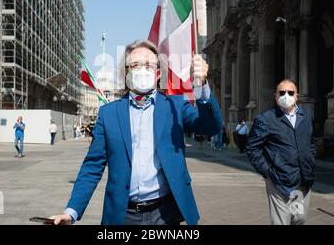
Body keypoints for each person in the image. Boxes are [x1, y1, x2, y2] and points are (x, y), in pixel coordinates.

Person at [51, 40, 223, 225]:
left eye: (149, 65)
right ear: (126, 73)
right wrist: (71, 212)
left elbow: (210, 127)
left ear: (157, 73)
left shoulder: (175, 106)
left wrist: (201, 87)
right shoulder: (109, 114)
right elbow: (92, 167)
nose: (143, 70)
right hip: (123, 215)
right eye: (135, 65)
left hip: (165, 214)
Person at [246, 79, 316, 225]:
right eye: (282, 92)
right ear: (276, 96)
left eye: (290, 92)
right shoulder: (265, 119)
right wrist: (267, 171)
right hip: (279, 181)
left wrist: (310, 162)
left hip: (301, 180)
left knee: (299, 219)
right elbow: (252, 148)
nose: (286, 96)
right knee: (281, 222)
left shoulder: (306, 117)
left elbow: (311, 143)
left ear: (297, 96)